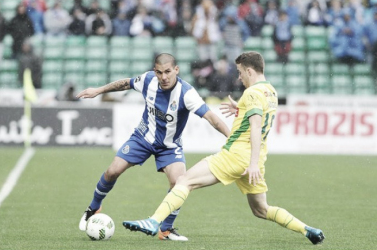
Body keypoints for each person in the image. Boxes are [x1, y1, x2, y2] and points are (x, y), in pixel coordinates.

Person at [123, 51, 326, 245]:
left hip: (238, 155)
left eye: (239, 72)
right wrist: (241, 109)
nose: (238, 78)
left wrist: (252, 163)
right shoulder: (270, 91)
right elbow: (260, 117)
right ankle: (307, 229)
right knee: (261, 209)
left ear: (249, 71)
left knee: (184, 181)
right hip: (255, 157)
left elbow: (256, 125)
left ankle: (153, 221)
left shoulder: (252, 92)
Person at [76, 53, 230, 241]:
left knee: (179, 182)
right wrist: (98, 90)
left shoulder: (187, 93)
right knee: (112, 171)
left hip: (169, 146)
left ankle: (165, 230)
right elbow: (126, 83)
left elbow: (212, 118)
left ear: (176, 70)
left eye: (167, 72)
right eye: (159, 72)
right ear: (154, 71)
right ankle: (93, 207)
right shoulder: (149, 80)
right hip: (142, 138)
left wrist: (231, 138)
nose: (163, 77)